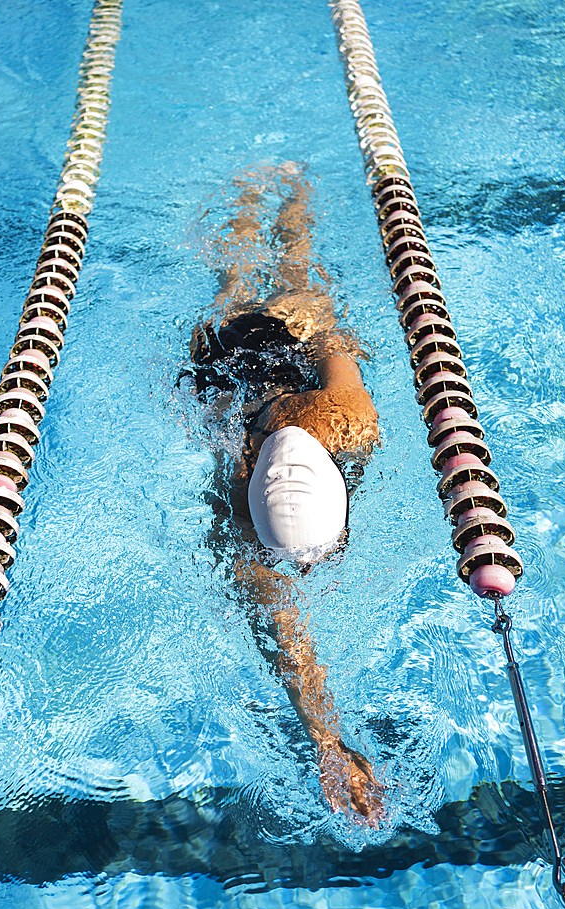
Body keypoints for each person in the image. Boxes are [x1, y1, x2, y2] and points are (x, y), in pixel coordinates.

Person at [186, 164, 384, 824]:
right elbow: (285, 640)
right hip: (225, 373)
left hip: (249, 385)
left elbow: (283, 634)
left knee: (284, 281)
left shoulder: (345, 420)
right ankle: (279, 191)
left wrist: (326, 742)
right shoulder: (342, 421)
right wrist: (325, 742)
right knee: (254, 284)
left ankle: (269, 189)